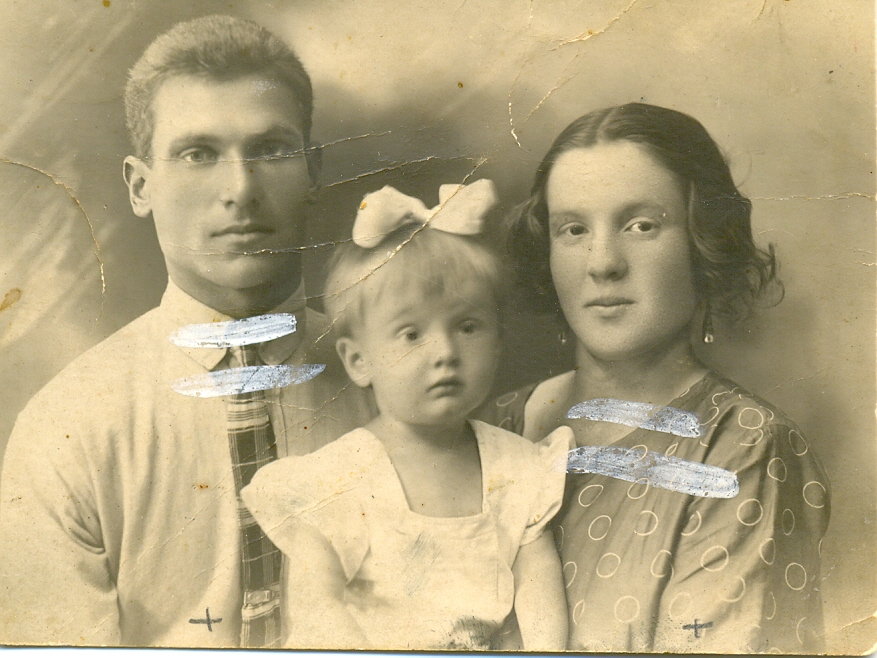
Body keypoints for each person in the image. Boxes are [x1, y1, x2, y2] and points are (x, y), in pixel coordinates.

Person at [0, 16, 373, 647]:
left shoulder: (393, 383)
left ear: (313, 172)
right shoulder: (67, 428)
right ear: (140, 186)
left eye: (270, 150)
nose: (240, 190)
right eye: (199, 154)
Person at [481, 103, 831, 653]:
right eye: (573, 229)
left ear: (702, 241)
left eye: (641, 225)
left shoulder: (745, 447)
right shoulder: (491, 425)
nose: (602, 262)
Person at [241, 182, 572, 650]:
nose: (445, 352)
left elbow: (539, 594)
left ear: (498, 341)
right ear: (359, 360)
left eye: (467, 326)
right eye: (412, 334)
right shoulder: (337, 478)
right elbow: (317, 610)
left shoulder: (518, 468)